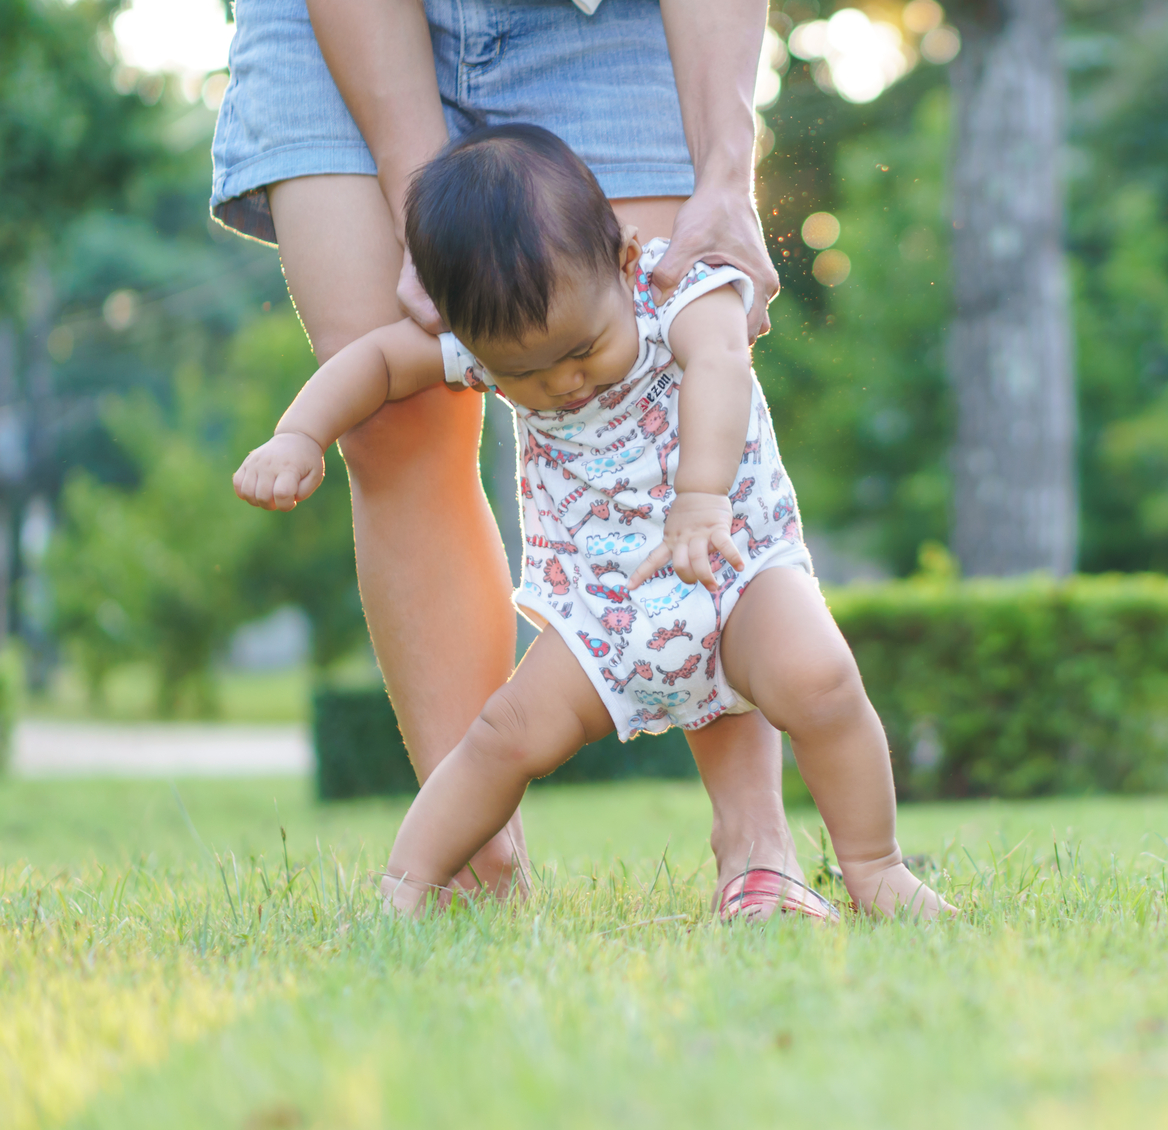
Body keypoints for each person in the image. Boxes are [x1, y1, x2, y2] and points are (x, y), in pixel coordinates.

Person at [210, 0, 844, 914]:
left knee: (656, 398)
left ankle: (755, 846)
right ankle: (472, 858)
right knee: (396, 410)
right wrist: (424, 208)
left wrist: (723, 179)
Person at [234, 125, 951, 920]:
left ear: (622, 257)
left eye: (582, 349)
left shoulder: (676, 292)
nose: (562, 383)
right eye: (522, 373)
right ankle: (406, 890)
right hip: (599, 611)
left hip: (729, 566)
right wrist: (300, 433)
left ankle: (875, 866)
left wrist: (701, 497)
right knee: (502, 734)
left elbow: (721, 363)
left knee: (821, 681)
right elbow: (374, 362)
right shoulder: (500, 340)